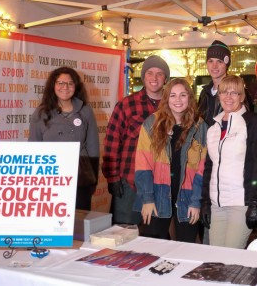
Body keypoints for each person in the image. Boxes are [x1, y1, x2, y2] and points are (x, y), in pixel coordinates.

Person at [200, 75, 257, 249]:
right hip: (217, 204)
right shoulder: (213, 128)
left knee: (232, 255)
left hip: (241, 203)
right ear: (219, 96)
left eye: (234, 93)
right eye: (224, 92)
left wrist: (255, 203)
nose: (229, 97)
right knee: (217, 257)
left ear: (242, 96)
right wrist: (205, 202)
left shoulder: (253, 123)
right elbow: (209, 168)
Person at [133, 78, 207, 242]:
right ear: (166, 99)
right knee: (153, 248)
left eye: (182, 95)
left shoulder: (199, 126)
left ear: (189, 97)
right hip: (157, 194)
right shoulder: (152, 124)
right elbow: (143, 164)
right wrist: (147, 199)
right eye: (173, 95)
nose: (178, 100)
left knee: (186, 248)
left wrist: (196, 202)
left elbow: (202, 169)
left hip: (188, 197)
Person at [102, 55, 170, 225]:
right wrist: (113, 178)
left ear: (166, 79)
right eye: (150, 73)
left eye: (159, 74)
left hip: (160, 184)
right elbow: (112, 143)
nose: (154, 78)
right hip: (130, 183)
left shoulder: (173, 106)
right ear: (143, 77)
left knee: (155, 239)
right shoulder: (127, 105)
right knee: (123, 234)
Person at [28, 66, 99, 211]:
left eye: (70, 83)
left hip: (81, 179)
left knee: (79, 226)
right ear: (53, 86)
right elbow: (33, 148)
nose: (65, 87)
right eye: (60, 83)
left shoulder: (86, 111)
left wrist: (94, 179)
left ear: (76, 86)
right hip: (50, 180)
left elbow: (93, 147)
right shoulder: (41, 113)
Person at [198, 40, 253, 127]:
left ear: (227, 64)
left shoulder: (238, 91)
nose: (214, 66)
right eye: (210, 61)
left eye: (219, 61)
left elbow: (248, 124)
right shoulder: (204, 93)